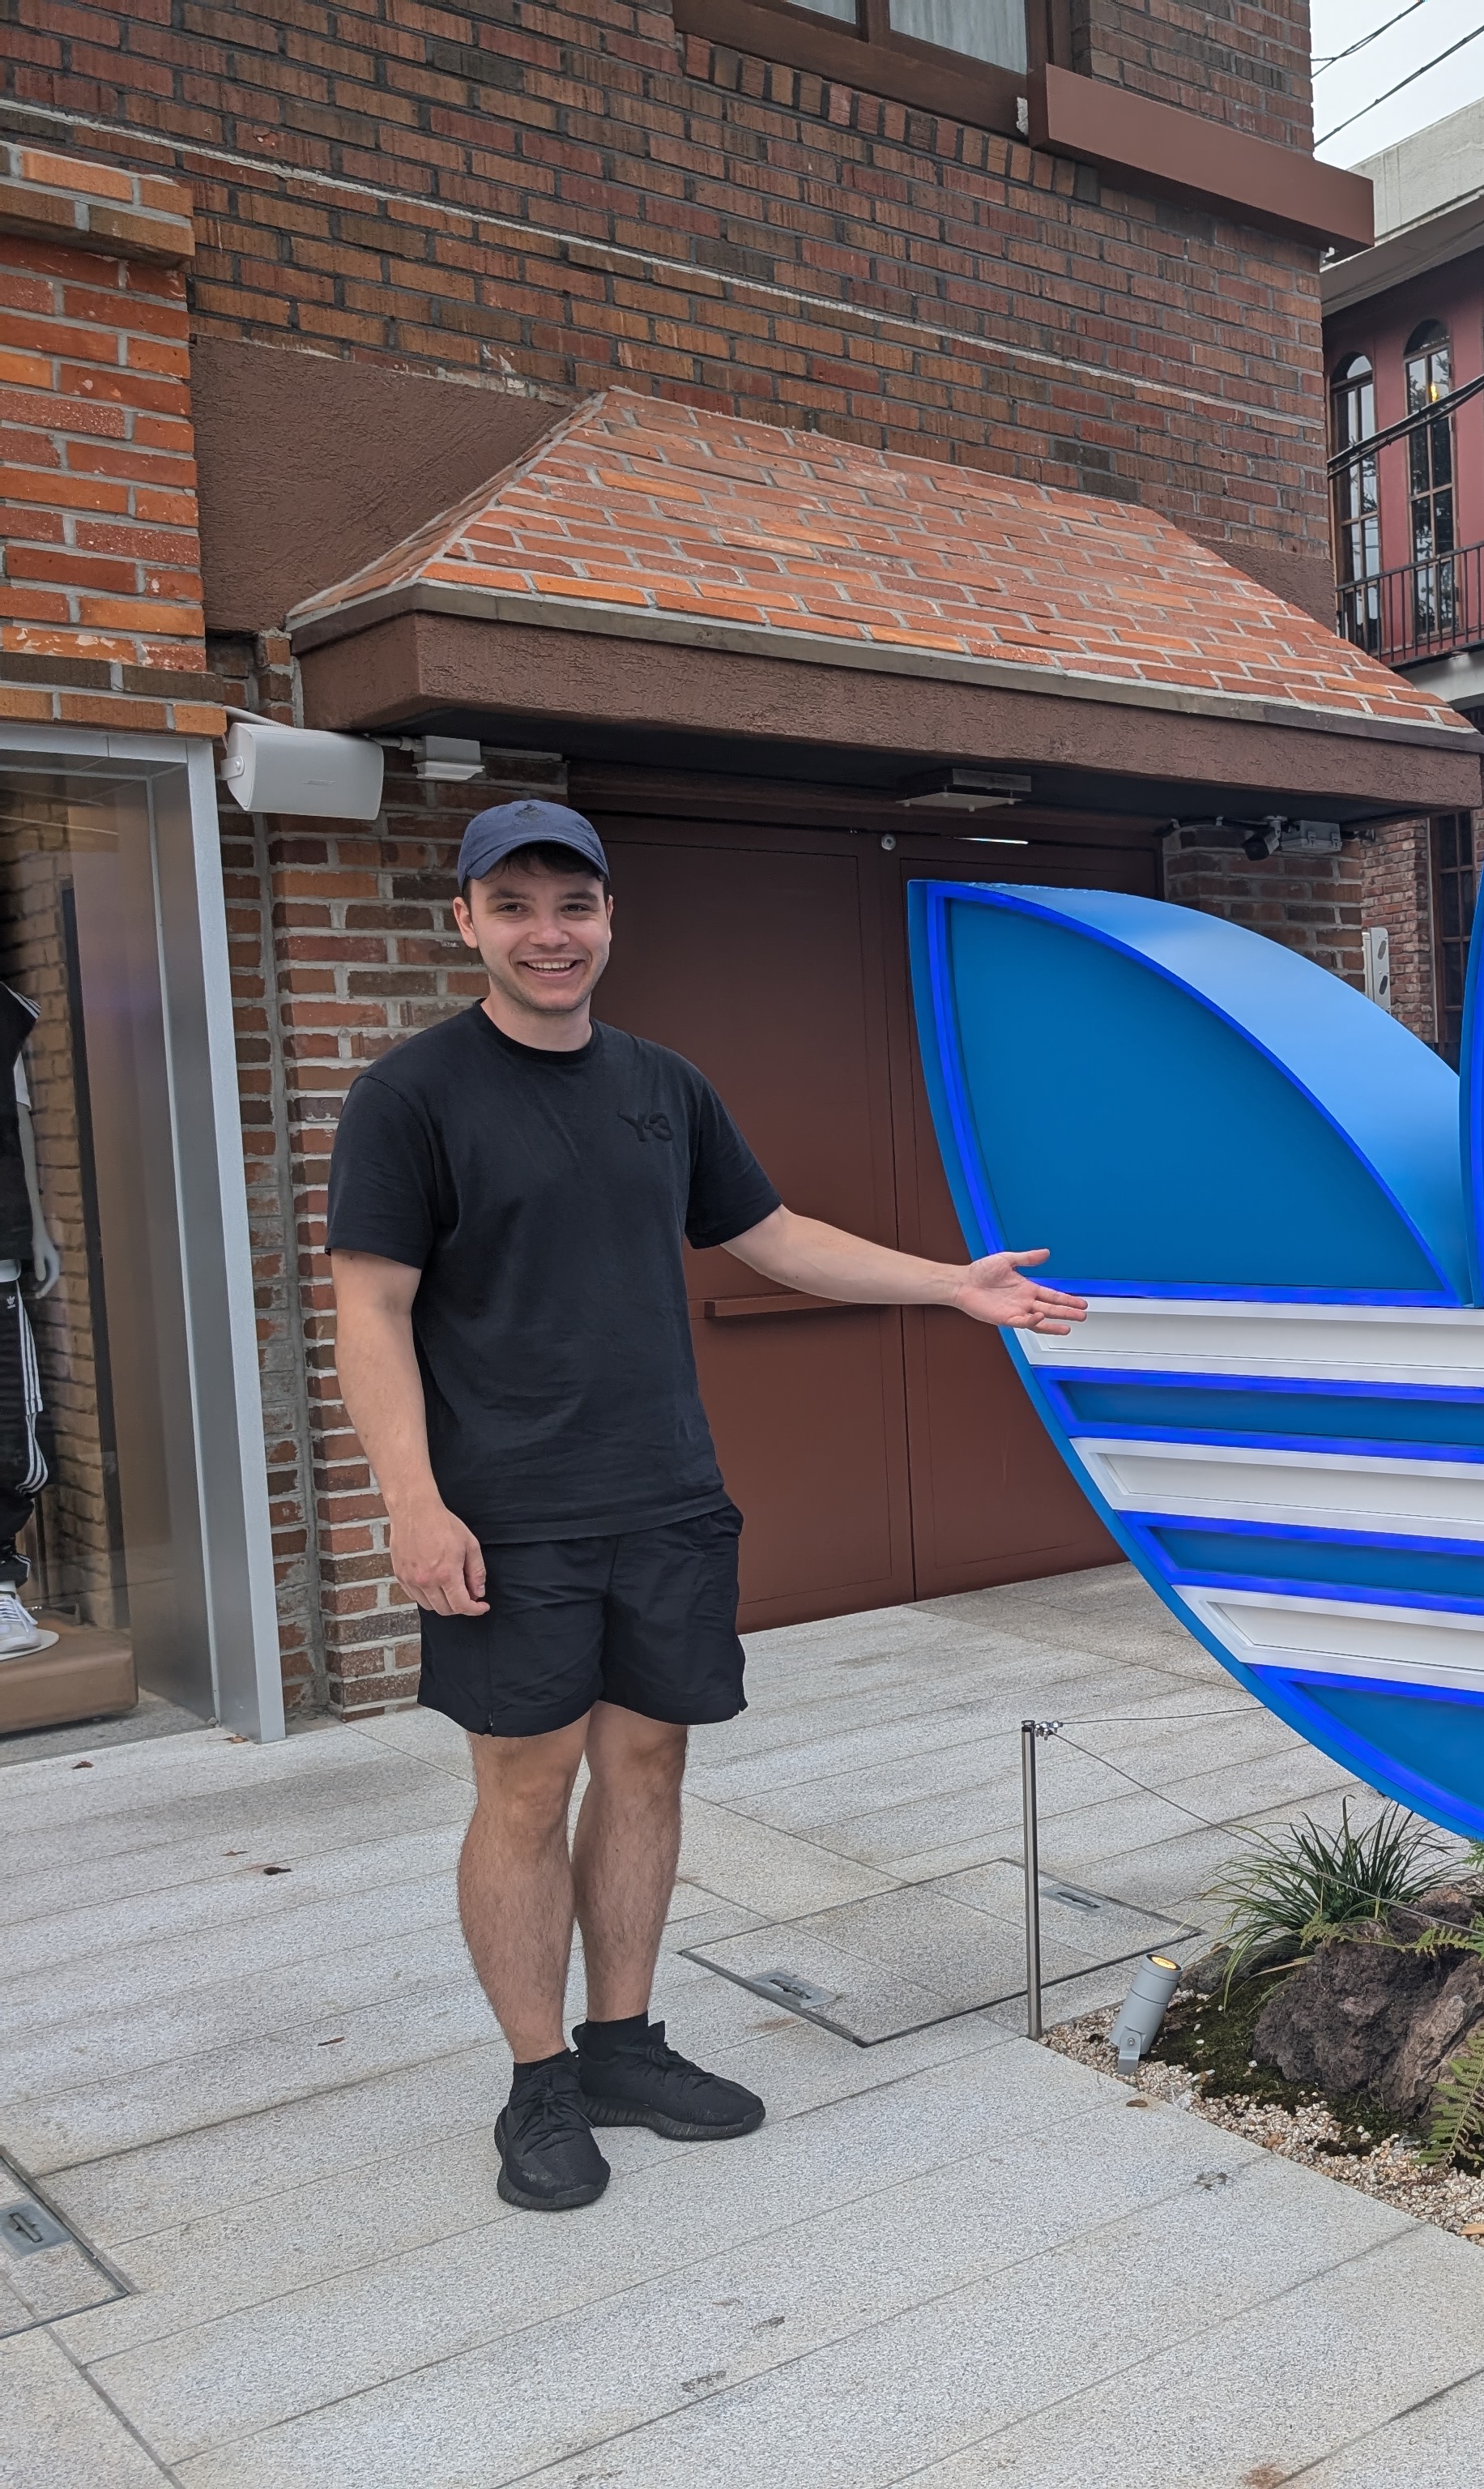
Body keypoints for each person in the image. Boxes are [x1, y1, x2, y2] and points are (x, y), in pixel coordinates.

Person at [326, 799, 1085, 2213]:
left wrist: (950, 1284)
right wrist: (412, 1504)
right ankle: (538, 2081)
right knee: (525, 1788)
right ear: (467, 922)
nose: (549, 935)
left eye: (573, 906)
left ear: (612, 919)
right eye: (515, 908)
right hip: (510, 1511)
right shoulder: (412, 1096)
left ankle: (622, 2045)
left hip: (666, 1497)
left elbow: (773, 1237)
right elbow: (369, 1308)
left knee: (650, 1768)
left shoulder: (662, 1086)